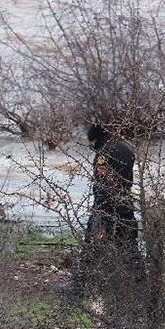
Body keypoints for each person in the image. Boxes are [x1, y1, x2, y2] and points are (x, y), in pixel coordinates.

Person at [64, 124, 138, 301]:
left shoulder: (104, 153)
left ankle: (77, 289)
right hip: (125, 205)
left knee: (90, 247)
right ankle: (141, 289)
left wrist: (101, 219)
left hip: (106, 208)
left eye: (92, 144)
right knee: (131, 249)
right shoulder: (126, 149)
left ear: (96, 140)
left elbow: (103, 187)